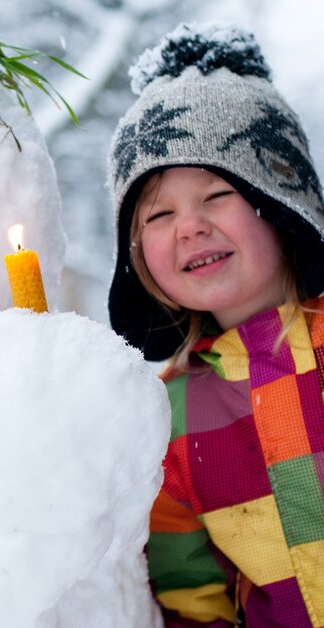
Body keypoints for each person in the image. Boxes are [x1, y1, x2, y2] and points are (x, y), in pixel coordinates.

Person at [107, 23, 324, 628]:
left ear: (281, 201)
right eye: (159, 213)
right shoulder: (165, 417)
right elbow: (192, 596)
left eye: (217, 193)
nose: (190, 227)